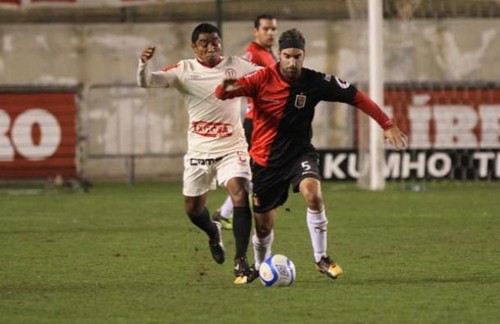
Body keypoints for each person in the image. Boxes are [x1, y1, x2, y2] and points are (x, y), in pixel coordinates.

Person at [215, 28, 408, 282]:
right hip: (265, 162)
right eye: (287, 56)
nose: (292, 62)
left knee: (312, 194)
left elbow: (356, 96)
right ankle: (262, 267)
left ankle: (321, 257)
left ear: (303, 56)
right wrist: (224, 88)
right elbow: (223, 94)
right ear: (279, 55)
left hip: (299, 154)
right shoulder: (261, 78)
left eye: (297, 56)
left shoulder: (315, 82)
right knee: (263, 227)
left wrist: (387, 124)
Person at [137, 23, 261, 284]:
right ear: (194, 47)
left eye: (215, 42)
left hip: (232, 146)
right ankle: (213, 231)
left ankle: (241, 260)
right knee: (193, 209)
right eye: (204, 43)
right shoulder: (184, 70)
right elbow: (148, 82)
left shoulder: (237, 65)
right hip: (199, 149)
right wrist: (143, 64)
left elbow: (270, 78)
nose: (210, 47)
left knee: (240, 193)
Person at [212, 14, 278, 231]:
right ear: (255, 31)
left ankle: (225, 212)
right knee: (253, 171)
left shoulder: (268, 54)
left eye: (273, 29)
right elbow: (235, 73)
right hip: (256, 123)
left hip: (267, 123)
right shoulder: (253, 54)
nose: (270, 33)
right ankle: (225, 213)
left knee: (254, 171)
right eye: (266, 29)